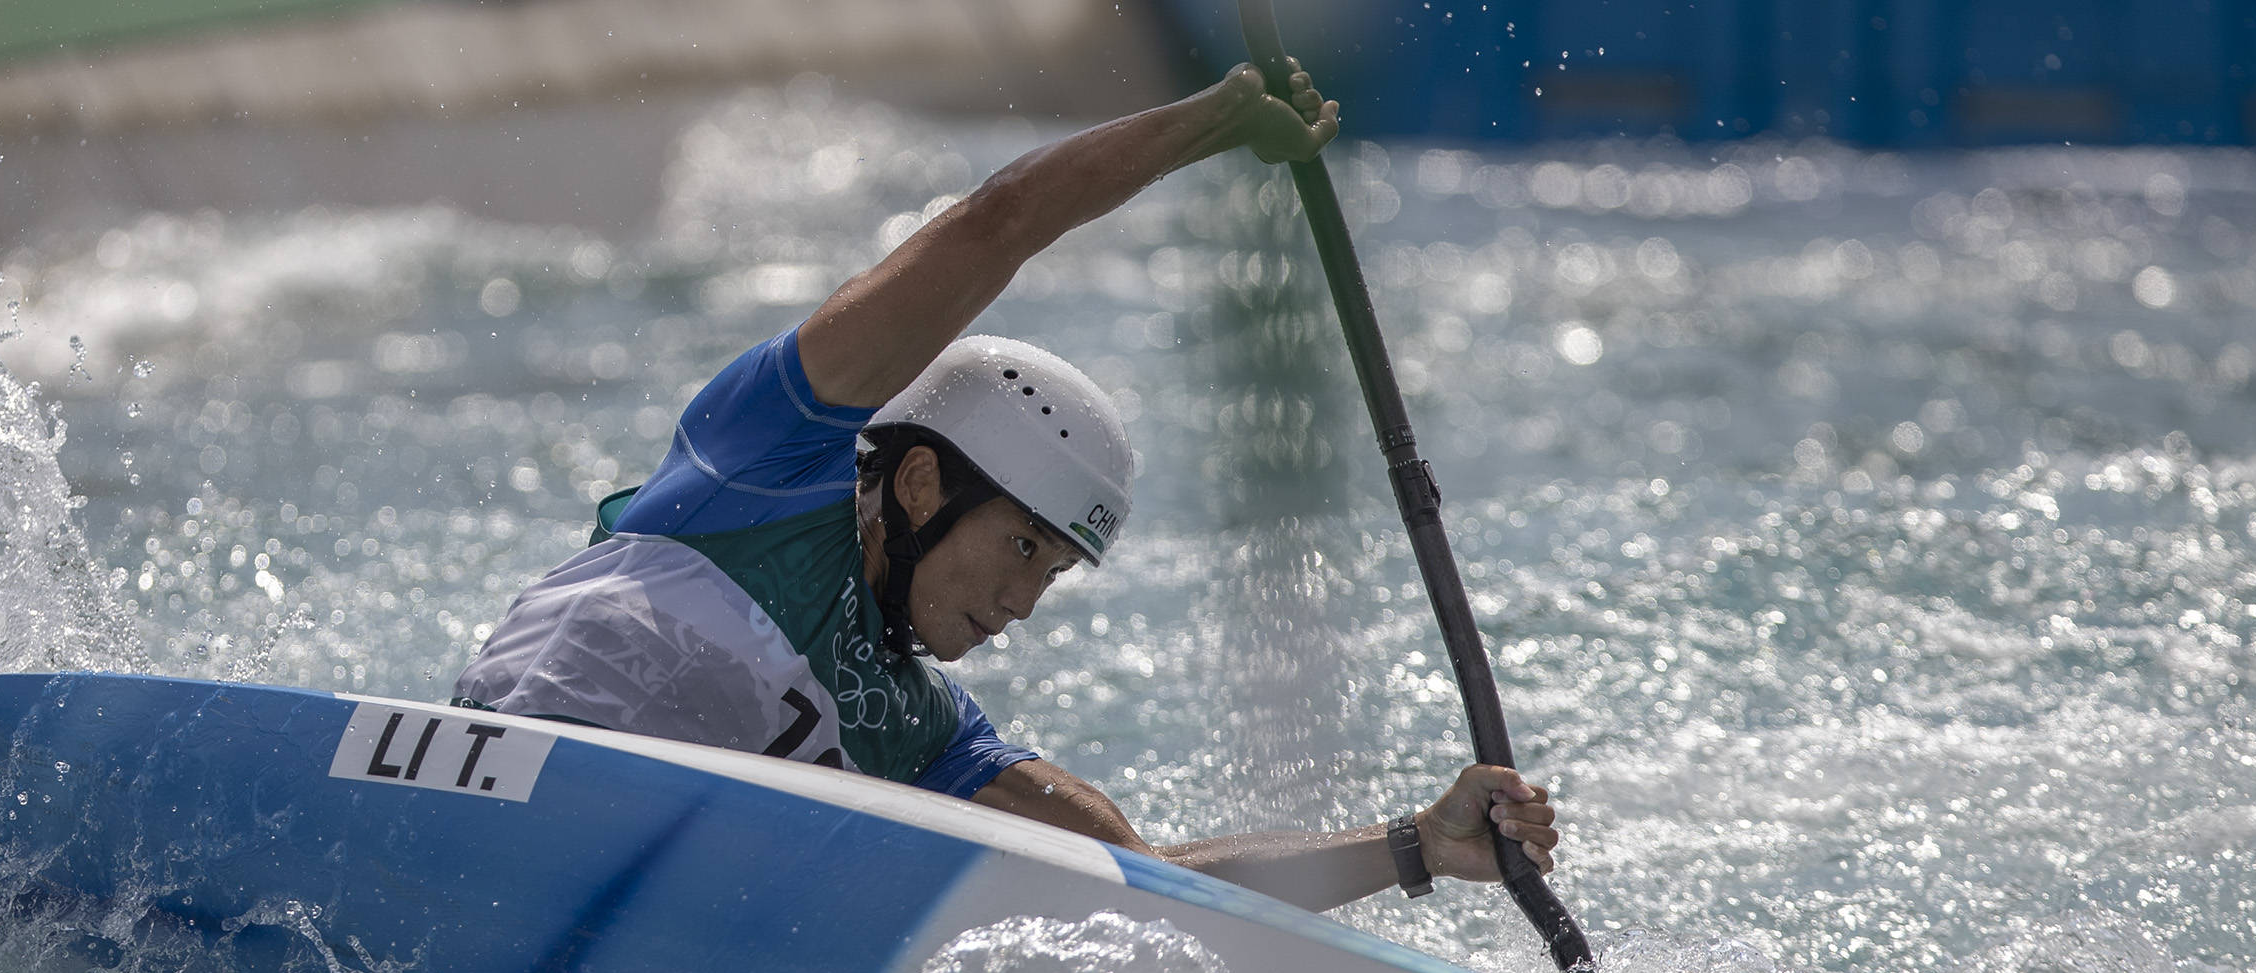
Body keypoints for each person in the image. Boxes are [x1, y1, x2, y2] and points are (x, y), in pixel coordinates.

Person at [454, 61, 1560, 912]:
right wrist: (1212, 123)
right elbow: (998, 222)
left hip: (637, 890)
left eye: (1058, 571)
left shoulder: (920, 730)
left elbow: (1138, 885)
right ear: (924, 482)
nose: (1027, 602)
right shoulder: (760, 460)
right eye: (1026, 546)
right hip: (472, 789)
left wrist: (1415, 844)